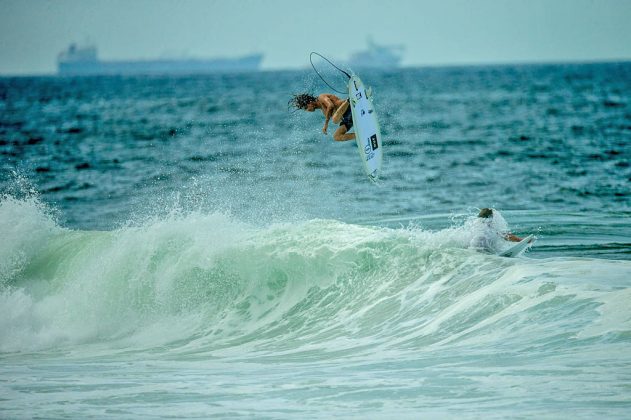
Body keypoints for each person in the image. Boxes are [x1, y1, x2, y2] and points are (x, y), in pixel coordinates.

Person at [289, 93, 355, 141]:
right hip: (347, 117)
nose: (307, 110)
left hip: (349, 107)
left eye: (306, 107)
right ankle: (358, 136)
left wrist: (326, 124)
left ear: (309, 102)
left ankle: (348, 100)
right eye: (305, 109)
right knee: (336, 136)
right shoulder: (323, 110)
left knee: (335, 120)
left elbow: (331, 105)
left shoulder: (321, 97)